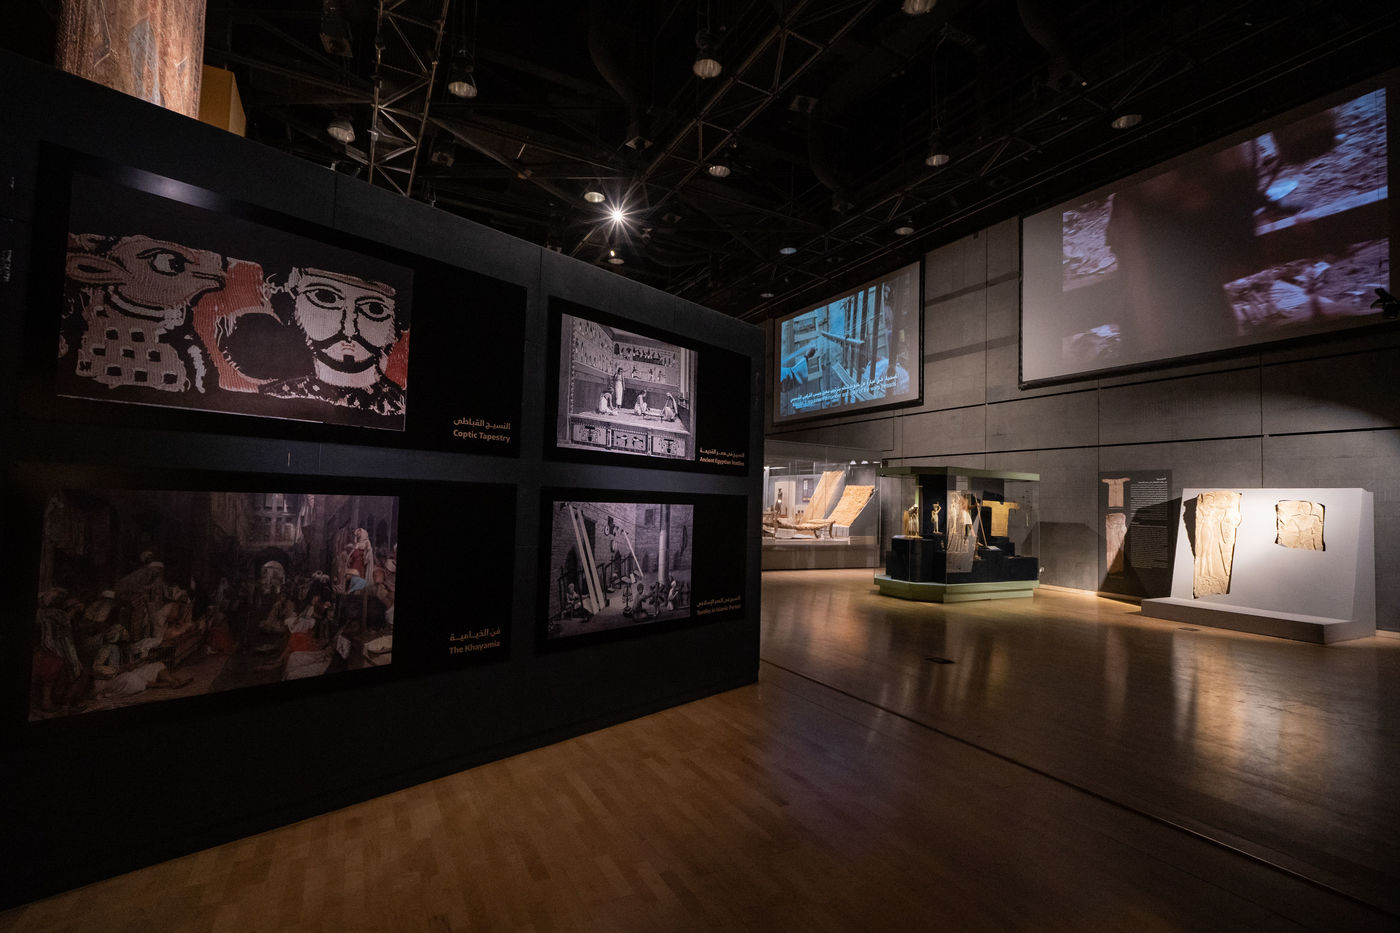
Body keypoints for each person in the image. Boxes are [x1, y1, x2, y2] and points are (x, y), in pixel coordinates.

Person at [260, 267, 405, 416]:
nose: (349, 330)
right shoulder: (277, 395)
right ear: (292, 304)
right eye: (325, 297)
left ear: (395, 328)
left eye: (375, 309)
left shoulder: (398, 405)